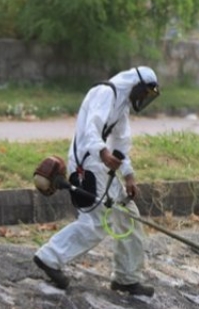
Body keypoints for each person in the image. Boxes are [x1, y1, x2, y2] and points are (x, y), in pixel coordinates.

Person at [33, 66, 160, 296]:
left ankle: (127, 277)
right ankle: (49, 258)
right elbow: (92, 128)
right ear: (136, 85)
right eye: (143, 94)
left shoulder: (121, 103)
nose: (142, 100)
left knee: (127, 212)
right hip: (86, 165)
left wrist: (129, 175)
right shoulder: (106, 93)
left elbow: (121, 141)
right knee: (96, 222)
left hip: (99, 163)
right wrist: (103, 153)